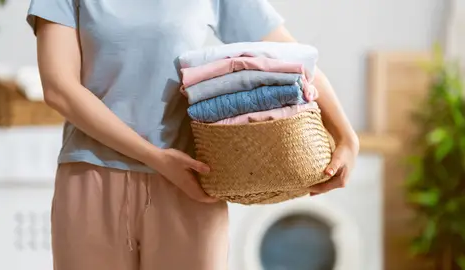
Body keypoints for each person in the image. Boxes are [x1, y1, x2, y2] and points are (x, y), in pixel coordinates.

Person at [26, 0, 359, 269]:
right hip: (92, 179)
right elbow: (59, 88)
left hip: (190, 184)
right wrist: (155, 158)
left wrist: (346, 135)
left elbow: (292, 60)